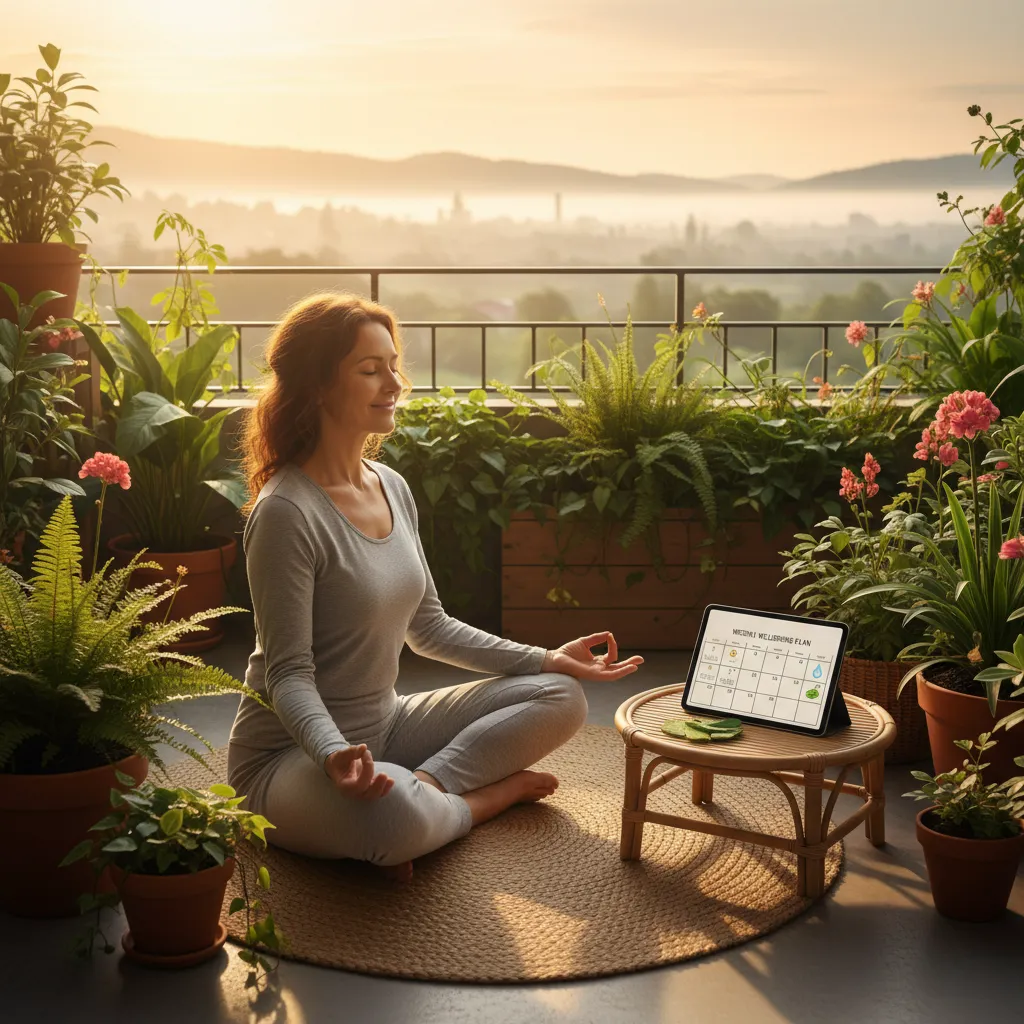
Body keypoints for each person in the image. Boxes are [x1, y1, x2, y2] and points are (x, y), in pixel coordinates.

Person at [228, 293, 643, 881]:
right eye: (370, 370)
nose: (393, 383)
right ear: (317, 386)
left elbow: (429, 626)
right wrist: (331, 752)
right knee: (390, 817)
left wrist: (546, 657)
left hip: (388, 725)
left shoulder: (390, 485)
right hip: (288, 758)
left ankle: (430, 790)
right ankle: (480, 801)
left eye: (393, 365)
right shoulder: (285, 514)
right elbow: (287, 674)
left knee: (561, 694)